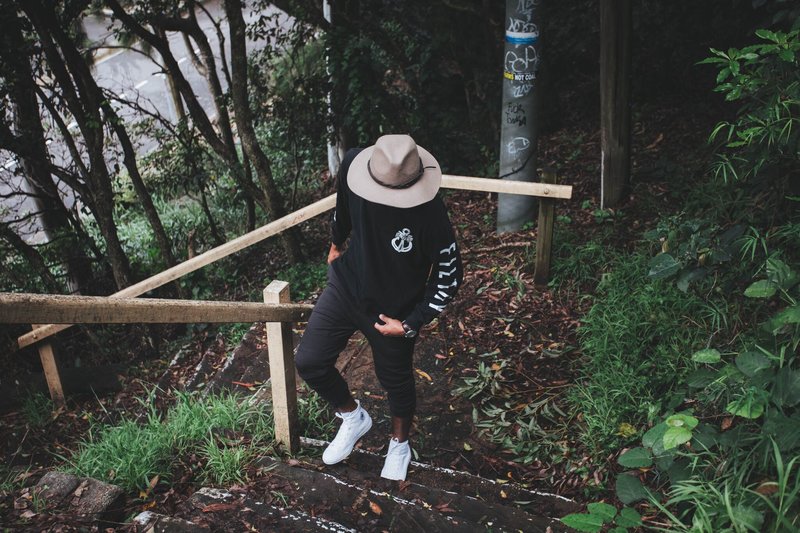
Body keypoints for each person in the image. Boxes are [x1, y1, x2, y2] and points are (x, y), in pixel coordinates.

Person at [294, 134, 463, 481]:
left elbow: (450, 273)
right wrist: (336, 242)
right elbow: (343, 206)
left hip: (393, 310)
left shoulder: (430, 213)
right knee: (309, 361)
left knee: (395, 382)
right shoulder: (355, 164)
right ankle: (353, 416)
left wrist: (412, 322)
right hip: (347, 286)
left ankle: (399, 443)